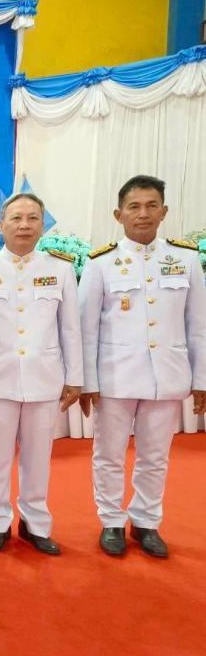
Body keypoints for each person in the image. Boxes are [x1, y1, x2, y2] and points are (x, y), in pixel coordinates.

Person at [79, 175, 206, 558]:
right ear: (118, 215)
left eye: (151, 206)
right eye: (134, 207)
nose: (143, 214)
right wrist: (87, 381)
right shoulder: (101, 263)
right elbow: (86, 328)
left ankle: (147, 521)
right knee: (109, 454)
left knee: (155, 456)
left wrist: (201, 378)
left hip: (166, 376)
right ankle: (111, 521)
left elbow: (198, 325)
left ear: (164, 212)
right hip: (115, 377)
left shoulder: (185, 260)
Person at [0, 193, 82, 555]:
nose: (24, 225)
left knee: (38, 458)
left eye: (32, 218)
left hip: (44, 378)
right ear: (1, 225)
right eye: (16, 218)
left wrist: (75, 377)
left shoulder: (60, 269)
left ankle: (35, 524)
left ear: (43, 225)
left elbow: (70, 329)